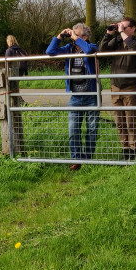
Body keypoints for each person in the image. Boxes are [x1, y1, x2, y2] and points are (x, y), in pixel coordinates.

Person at [46, 23, 99, 171]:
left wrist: (76, 38)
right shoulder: (69, 49)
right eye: (72, 34)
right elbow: (50, 51)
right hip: (75, 96)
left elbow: (88, 50)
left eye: (77, 34)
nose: (73, 37)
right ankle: (76, 159)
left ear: (85, 37)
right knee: (73, 129)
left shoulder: (92, 46)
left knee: (92, 130)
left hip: (91, 96)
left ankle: (88, 160)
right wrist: (59, 36)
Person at [99, 17, 136, 161]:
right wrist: (108, 34)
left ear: (133, 28)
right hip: (115, 86)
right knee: (119, 120)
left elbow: (132, 48)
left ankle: (134, 148)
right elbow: (101, 51)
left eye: (125, 27)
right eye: (120, 27)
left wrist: (122, 33)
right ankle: (124, 148)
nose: (121, 30)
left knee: (130, 120)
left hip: (130, 86)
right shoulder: (116, 41)